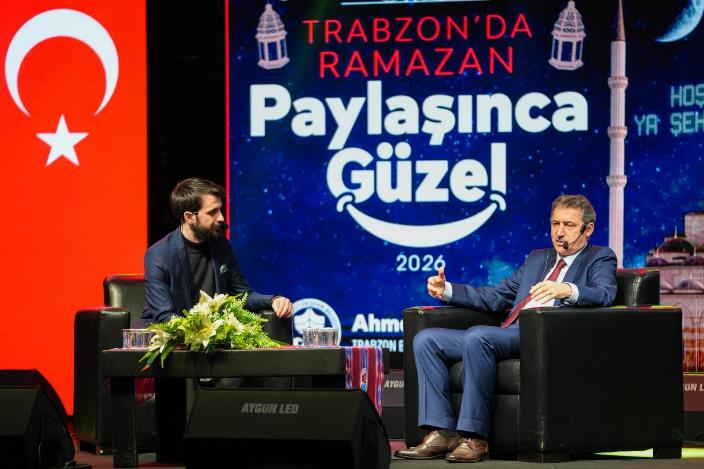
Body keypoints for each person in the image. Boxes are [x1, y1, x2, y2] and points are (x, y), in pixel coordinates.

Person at [396, 194, 617, 463]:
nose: (559, 232)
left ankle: (474, 438)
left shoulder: (599, 257)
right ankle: (442, 432)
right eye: (555, 224)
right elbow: (495, 296)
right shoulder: (538, 258)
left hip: (546, 336)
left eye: (569, 225)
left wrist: (567, 289)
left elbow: (604, 293)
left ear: (588, 228)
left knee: (479, 336)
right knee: (426, 340)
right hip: (511, 332)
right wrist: (447, 290)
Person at [141, 177, 292, 323]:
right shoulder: (159, 255)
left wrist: (273, 300)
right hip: (168, 336)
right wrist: (202, 333)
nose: (221, 218)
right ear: (189, 217)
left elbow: (242, 295)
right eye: (212, 212)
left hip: (212, 333)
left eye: (220, 210)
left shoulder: (221, 245)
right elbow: (165, 316)